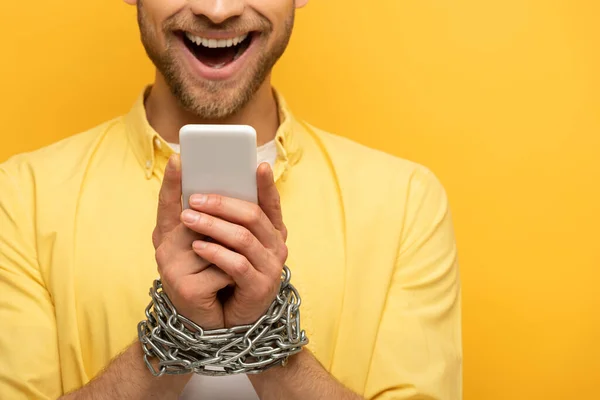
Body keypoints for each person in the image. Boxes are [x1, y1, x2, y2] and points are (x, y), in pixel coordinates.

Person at [0, 0, 462, 399]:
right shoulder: (21, 199)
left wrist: (266, 332)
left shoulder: (406, 203)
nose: (217, 10)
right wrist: (173, 335)